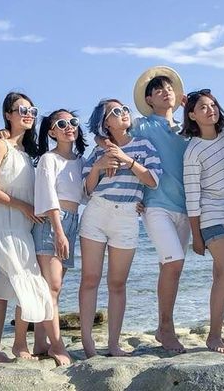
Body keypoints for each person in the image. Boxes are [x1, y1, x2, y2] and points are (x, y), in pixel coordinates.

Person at [0, 92, 71, 366]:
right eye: (22, 109)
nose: (28, 114)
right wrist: (21, 206)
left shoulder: (30, 153)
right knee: (26, 280)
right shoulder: (1, 145)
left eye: (32, 109)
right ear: (9, 114)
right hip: (3, 225)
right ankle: (20, 343)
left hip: (23, 228)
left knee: (3, 287)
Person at [79, 98, 161, 358]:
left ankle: (114, 344)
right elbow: (87, 190)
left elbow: (153, 181)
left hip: (127, 216)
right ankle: (88, 344)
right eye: (116, 112)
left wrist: (127, 160)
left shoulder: (144, 145)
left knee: (117, 284)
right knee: (90, 280)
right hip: (97, 211)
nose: (124, 113)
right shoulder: (98, 151)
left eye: (125, 109)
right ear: (106, 123)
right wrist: (99, 167)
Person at [130, 66, 191, 353]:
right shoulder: (142, 125)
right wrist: (134, 193)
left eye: (169, 88)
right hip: (155, 205)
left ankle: (165, 324)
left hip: (186, 208)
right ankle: (165, 328)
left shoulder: (187, 130)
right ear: (150, 100)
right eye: (158, 90)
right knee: (174, 262)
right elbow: (109, 135)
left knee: (172, 269)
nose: (165, 92)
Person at [17, 109, 86, 357]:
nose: (69, 127)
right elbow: (48, 196)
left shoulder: (80, 161)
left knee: (52, 287)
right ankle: (57, 346)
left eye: (73, 122)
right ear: (51, 131)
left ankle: (40, 344)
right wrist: (59, 231)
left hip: (72, 222)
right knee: (52, 287)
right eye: (61, 123)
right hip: (52, 223)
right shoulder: (49, 158)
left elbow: (86, 194)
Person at [181, 89, 224, 355]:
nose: (211, 110)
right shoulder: (193, 151)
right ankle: (214, 336)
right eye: (203, 107)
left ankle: (215, 334)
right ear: (192, 116)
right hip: (210, 217)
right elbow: (192, 197)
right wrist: (196, 235)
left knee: (221, 276)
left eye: (213, 105)